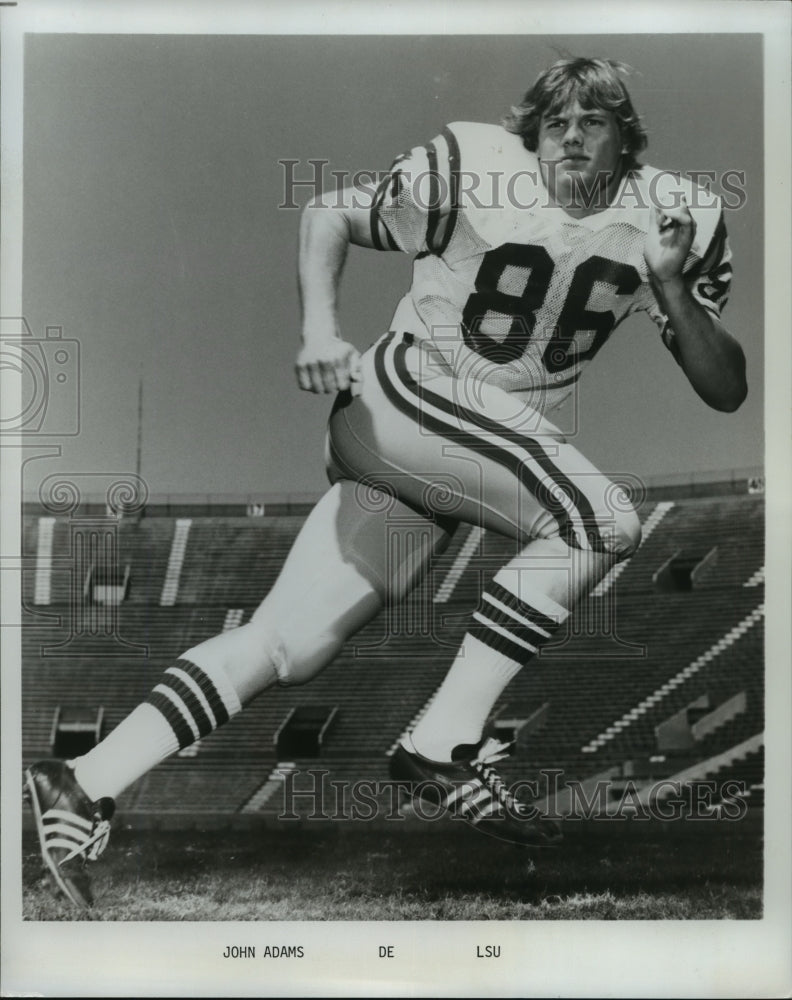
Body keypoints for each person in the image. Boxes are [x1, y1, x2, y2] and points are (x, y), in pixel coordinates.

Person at [25, 57, 746, 910]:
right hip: (412, 394)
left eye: (596, 122)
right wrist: (321, 330)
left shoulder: (678, 217)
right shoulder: (475, 163)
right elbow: (330, 211)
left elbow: (724, 387)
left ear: (629, 137)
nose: (573, 138)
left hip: (462, 446)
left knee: (289, 644)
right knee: (600, 519)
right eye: (556, 123)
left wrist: (668, 284)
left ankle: (81, 780)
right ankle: (445, 740)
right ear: (530, 134)